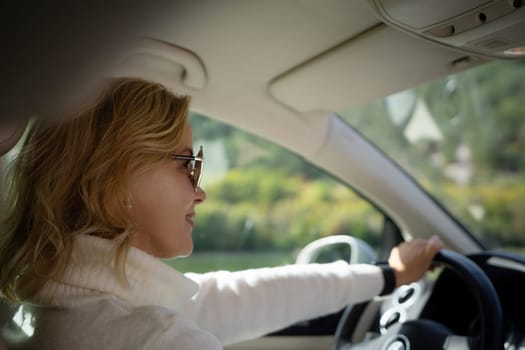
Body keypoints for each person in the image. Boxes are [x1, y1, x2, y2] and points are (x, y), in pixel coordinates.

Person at [0, 78, 443, 349]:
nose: (201, 193)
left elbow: (240, 296)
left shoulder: (48, 302)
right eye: (186, 164)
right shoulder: (155, 340)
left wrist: (385, 276)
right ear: (113, 176)